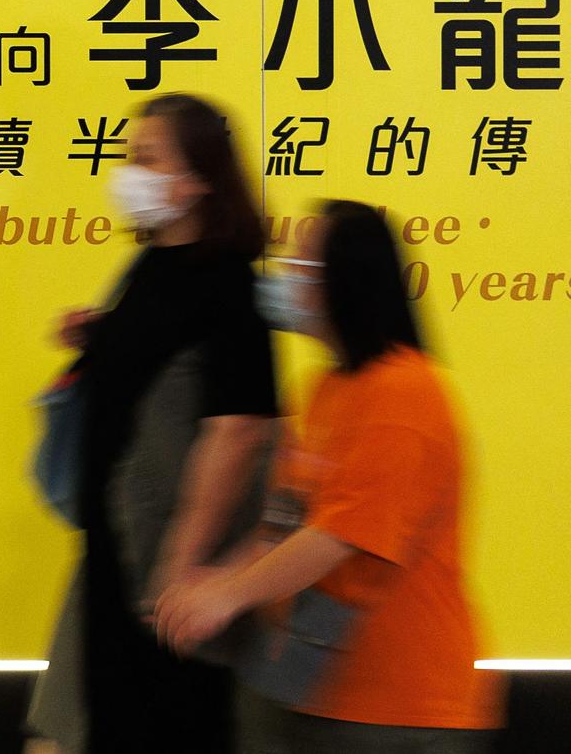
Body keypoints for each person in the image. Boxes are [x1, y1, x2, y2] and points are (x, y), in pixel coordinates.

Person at [154, 202, 503, 752]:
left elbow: (339, 536)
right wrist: (213, 578)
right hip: (308, 686)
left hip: (400, 708)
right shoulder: (324, 389)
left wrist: (229, 595)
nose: (287, 278)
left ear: (347, 282)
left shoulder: (406, 392)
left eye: (303, 267)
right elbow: (284, 522)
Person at [26, 94, 279, 754]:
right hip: (117, 554)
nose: (127, 173)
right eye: (127, 156)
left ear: (196, 180)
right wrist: (99, 337)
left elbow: (240, 429)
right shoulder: (150, 268)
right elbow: (161, 364)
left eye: (145, 158)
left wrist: (182, 565)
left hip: (164, 578)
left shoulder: (227, 288)